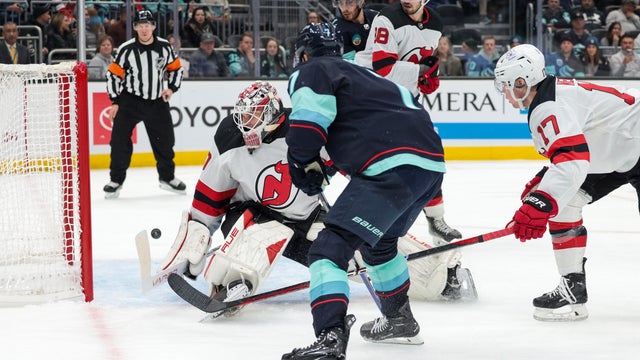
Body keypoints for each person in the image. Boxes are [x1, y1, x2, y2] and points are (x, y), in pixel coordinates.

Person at [159, 80, 464, 321]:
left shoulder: (307, 131)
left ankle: (440, 274)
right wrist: (198, 233)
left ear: (272, 115)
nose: (245, 125)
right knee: (257, 233)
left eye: (253, 117)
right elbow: (210, 196)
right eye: (243, 117)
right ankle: (231, 285)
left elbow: (356, 166)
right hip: (249, 210)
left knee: (359, 251)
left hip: (305, 215)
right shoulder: (228, 137)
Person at [282, 22, 451, 359]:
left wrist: (302, 163)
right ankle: (399, 321)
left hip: (389, 169)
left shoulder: (313, 71)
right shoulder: (366, 75)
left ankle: (330, 336)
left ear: (302, 54)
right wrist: (322, 165)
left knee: (328, 250)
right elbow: (371, 121)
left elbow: (306, 127)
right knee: (381, 246)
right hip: (430, 167)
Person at [493, 43, 640, 321]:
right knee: (564, 204)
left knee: (555, 199)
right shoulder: (550, 96)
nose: (503, 92)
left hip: (632, 140)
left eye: (505, 85)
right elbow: (576, 147)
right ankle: (572, 287)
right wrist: (545, 183)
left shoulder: (546, 106)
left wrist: (540, 202)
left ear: (522, 82)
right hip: (620, 147)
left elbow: (572, 162)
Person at [355, 0, 464, 246]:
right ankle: (355, 220)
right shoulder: (387, 18)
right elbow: (382, 68)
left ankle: (436, 220)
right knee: (373, 164)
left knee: (433, 155)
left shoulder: (435, 23)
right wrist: (419, 71)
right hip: (374, 98)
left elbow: (423, 64)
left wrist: (428, 75)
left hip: (404, 100)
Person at [104, 10, 186, 198]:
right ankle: (116, 180)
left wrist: (171, 88)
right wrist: (115, 101)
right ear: (135, 27)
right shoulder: (126, 49)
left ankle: (167, 178)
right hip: (130, 101)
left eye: (147, 25)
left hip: (157, 101)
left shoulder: (165, 47)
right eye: (140, 25)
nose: (144, 29)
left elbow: (176, 69)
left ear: (153, 27)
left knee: (165, 142)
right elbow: (113, 75)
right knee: (119, 141)